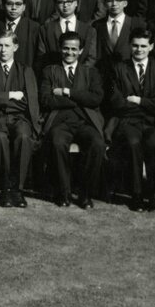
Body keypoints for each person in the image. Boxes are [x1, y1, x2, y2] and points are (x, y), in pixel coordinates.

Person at [107, 27, 155, 212]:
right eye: (135, 46)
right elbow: (116, 102)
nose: (139, 50)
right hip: (127, 122)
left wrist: (140, 101)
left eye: (143, 46)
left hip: (153, 123)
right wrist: (149, 105)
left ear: (151, 46)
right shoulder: (119, 69)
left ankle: (154, 195)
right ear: (130, 45)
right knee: (133, 143)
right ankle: (136, 195)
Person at [40, 32, 105, 208]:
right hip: (60, 122)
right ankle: (64, 192)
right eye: (66, 48)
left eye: (74, 49)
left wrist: (67, 92)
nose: (70, 52)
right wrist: (80, 99)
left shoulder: (91, 72)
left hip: (85, 122)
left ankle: (85, 193)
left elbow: (96, 99)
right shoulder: (50, 71)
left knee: (97, 144)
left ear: (81, 50)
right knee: (57, 141)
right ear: (60, 49)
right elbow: (46, 100)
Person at [0, 31, 40, 207]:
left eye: (6, 45)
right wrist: (11, 95)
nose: (3, 50)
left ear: (15, 47)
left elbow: (28, 102)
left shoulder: (25, 70)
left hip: (20, 118)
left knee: (23, 137)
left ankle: (17, 190)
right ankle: (5, 188)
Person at [36, 0, 97, 71]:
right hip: (54, 77)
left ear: (76, 3)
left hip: (82, 78)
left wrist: (78, 75)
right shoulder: (45, 29)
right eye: (61, 2)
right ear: (56, 5)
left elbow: (91, 58)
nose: (65, 5)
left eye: (69, 1)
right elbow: (42, 57)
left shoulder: (89, 30)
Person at [92, 0, 142, 81]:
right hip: (103, 76)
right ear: (105, 4)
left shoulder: (136, 23)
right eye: (110, 0)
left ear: (125, 3)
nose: (114, 4)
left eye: (118, 0)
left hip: (129, 76)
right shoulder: (97, 25)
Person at [0, 0, 39, 69]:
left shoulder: (34, 27)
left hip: (25, 73)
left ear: (24, 7)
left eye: (18, 4)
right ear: (3, 6)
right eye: (10, 4)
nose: (14, 8)